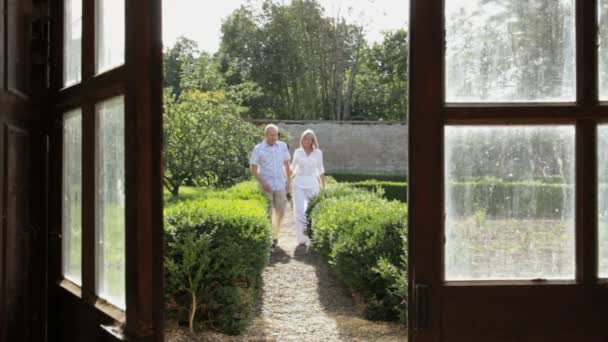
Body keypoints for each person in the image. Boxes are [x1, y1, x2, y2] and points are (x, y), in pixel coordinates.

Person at [250, 124, 292, 248]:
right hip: (266, 185)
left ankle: (276, 234)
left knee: (281, 211)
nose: (274, 137)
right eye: (271, 134)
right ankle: (269, 238)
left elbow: (287, 165)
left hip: (280, 184)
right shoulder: (258, 148)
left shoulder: (283, 146)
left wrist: (288, 182)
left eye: (275, 134)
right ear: (266, 135)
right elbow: (253, 168)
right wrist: (263, 182)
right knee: (267, 212)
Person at [291, 129, 325, 246]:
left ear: (313, 140)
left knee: (311, 210)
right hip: (298, 183)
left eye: (310, 139)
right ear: (302, 139)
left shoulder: (318, 153)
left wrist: (323, 187)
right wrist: (285, 181)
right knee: (299, 210)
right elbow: (292, 168)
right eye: (305, 139)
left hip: (312, 183)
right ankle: (301, 238)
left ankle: (312, 237)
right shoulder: (297, 152)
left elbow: (320, 170)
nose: (307, 141)